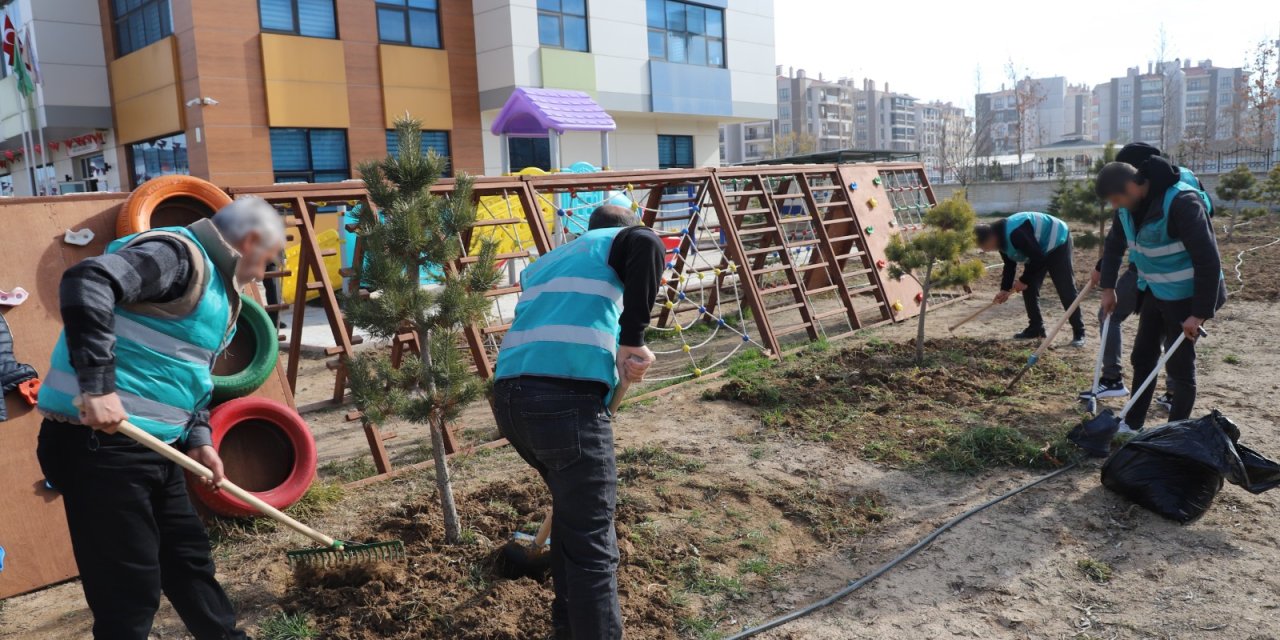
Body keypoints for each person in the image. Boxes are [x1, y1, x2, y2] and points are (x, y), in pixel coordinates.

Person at [35, 197, 287, 639]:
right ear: (250, 241)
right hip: (99, 447)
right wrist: (98, 387)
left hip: (159, 447)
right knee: (128, 589)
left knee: (189, 561)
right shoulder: (177, 255)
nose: (267, 271)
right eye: (271, 257)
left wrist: (200, 439)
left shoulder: (218, 292)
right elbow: (87, 280)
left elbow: (186, 376)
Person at [491, 204, 664, 640]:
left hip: (512, 399)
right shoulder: (617, 241)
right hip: (563, 400)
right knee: (593, 544)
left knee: (572, 521)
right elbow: (646, 242)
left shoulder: (546, 262)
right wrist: (632, 341)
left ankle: (567, 629)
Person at [1095, 157, 1225, 434]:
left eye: (1117, 198)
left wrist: (1198, 313)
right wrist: (1109, 289)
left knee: (1179, 367)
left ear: (1133, 185)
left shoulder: (1181, 203)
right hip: (1155, 288)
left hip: (1189, 294)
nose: (1115, 205)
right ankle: (1132, 424)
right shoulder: (1126, 211)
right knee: (1143, 355)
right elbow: (1113, 247)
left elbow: (1208, 261)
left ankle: (1173, 435)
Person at [975, 211, 1087, 347]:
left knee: (1065, 288)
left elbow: (1038, 258)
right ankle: (1036, 328)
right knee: (1029, 288)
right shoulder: (999, 239)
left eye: (983, 246)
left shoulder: (1015, 233)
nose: (984, 250)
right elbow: (1010, 264)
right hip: (1038, 249)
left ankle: (1079, 333)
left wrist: (1023, 279)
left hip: (1057, 240)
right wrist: (1005, 289)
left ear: (991, 237)